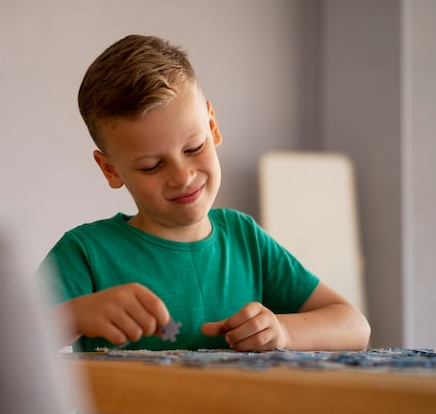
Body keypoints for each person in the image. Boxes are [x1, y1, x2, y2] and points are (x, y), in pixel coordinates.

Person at [36, 34, 371, 353]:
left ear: (212, 127)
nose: (182, 177)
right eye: (152, 166)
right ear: (110, 170)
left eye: (194, 147)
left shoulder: (245, 239)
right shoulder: (85, 253)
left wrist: (282, 331)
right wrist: (76, 315)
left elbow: (354, 326)